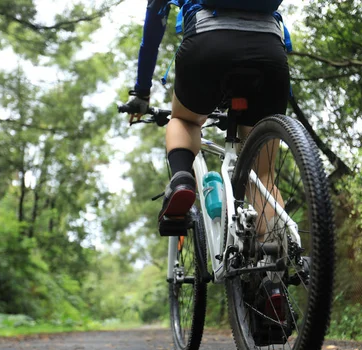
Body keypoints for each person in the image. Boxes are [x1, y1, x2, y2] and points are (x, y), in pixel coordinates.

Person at [123, 0, 290, 234]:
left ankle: (181, 179)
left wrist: (141, 92)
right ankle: (277, 259)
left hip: (207, 46)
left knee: (184, 120)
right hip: (269, 51)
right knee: (262, 177)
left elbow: (152, 30)